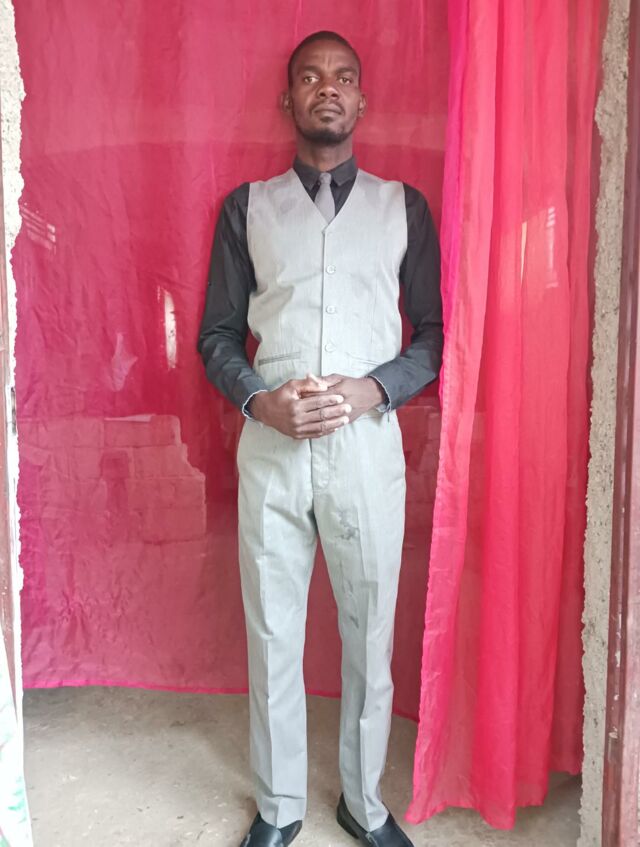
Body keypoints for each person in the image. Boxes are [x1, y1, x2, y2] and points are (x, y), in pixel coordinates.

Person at [198, 30, 443, 847]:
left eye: (342, 77)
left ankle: (363, 802)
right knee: (272, 629)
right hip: (273, 446)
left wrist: (375, 387)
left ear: (362, 100)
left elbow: (433, 336)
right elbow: (217, 335)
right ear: (288, 100)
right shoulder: (247, 208)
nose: (326, 88)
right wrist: (259, 401)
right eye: (309, 76)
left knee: (370, 628)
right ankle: (279, 806)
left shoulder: (404, 208)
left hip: (368, 448)